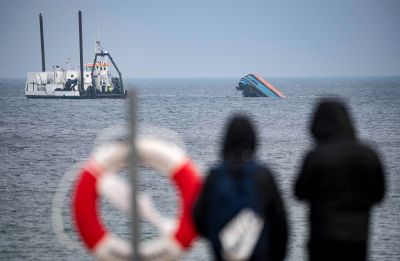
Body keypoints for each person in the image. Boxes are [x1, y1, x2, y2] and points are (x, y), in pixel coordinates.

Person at [294, 99, 385, 261]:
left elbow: (299, 193)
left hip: (322, 236)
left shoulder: (316, 156)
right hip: (358, 238)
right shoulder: (369, 154)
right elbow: (379, 194)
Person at [193, 115, 288, 260]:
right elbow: (280, 224)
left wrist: (217, 240)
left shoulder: (215, 174)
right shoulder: (263, 174)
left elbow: (198, 218)